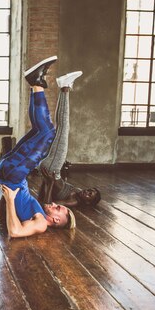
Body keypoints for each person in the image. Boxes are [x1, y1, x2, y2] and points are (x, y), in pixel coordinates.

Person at [0, 56, 76, 238]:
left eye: (58, 209)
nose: (55, 204)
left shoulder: (40, 224)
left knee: (48, 134)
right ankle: (35, 84)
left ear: (55, 220)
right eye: (58, 205)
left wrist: (9, 200)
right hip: (12, 173)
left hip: (13, 174)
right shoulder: (39, 210)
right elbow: (0, 217)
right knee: (42, 129)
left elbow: (15, 232)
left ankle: (36, 82)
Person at [37, 72, 101, 208]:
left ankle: (65, 87)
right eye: (90, 190)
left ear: (88, 202)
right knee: (60, 126)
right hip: (51, 169)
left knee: (63, 128)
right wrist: (46, 181)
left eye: (90, 195)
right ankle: (63, 88)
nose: (87, 192)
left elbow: (46, 205)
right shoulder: (76, 194)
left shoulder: (73, 201)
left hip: (52, 168)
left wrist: (49, 183)